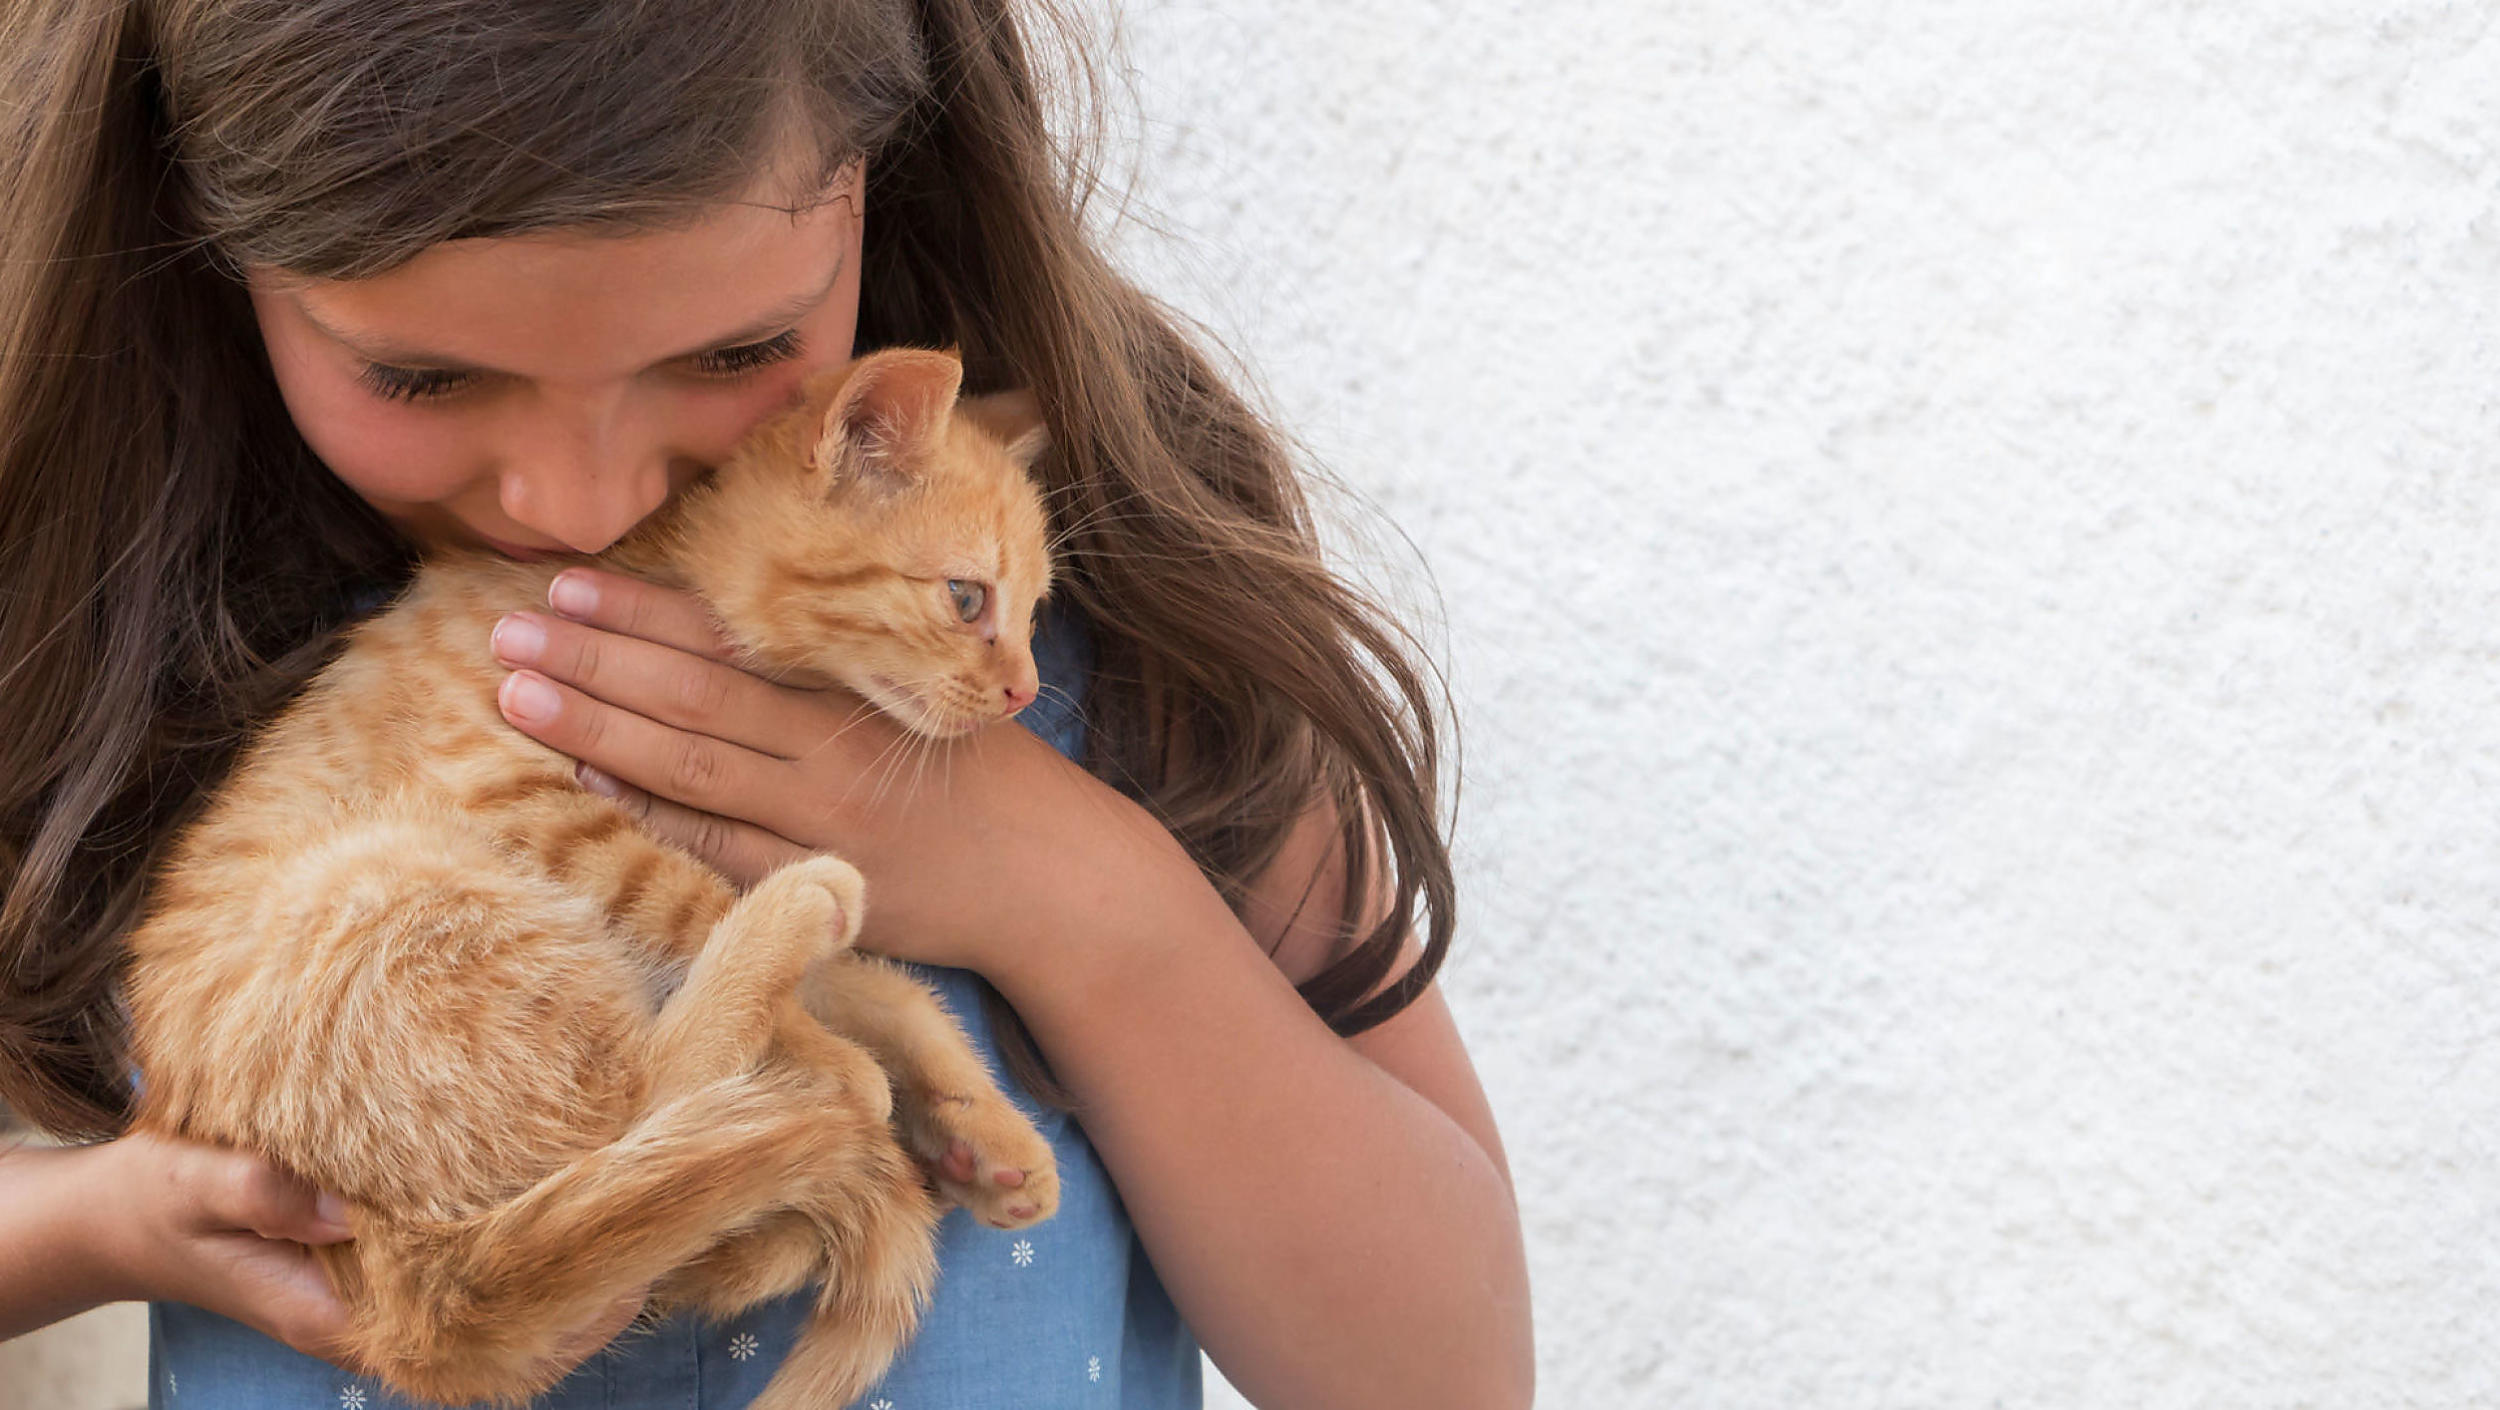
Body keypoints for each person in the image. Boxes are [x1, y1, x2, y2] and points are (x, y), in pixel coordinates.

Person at [0, 0, 1533, 1406]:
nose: (584, 499)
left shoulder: (1118, 628)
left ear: (888, 169)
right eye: (424, 378)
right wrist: (106, 1218)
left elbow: (1444, 1374)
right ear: (202, 235)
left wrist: (1079, 893)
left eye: (735, 351)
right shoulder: (109, 618)